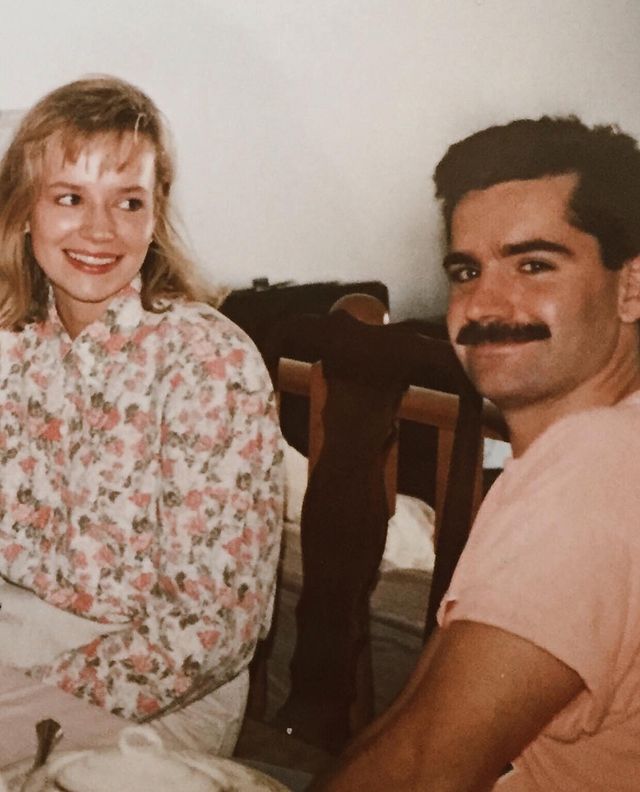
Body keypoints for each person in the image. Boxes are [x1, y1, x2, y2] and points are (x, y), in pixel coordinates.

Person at [315, 116, 640, 791]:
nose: (484, 304)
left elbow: (420, 769)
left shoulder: (601, 463)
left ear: (631, 287)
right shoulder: (582, 453)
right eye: (466, 270)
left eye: (534, 264)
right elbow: (421, 711)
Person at [0, 76, 283, 757]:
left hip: (154, 689)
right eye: (69, 198)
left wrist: (32, 686)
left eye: (127, 202)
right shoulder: (15, 342)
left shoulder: (209, 363)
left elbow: (212, 630)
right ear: (24, 209)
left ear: (153, 216)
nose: (100, 230)